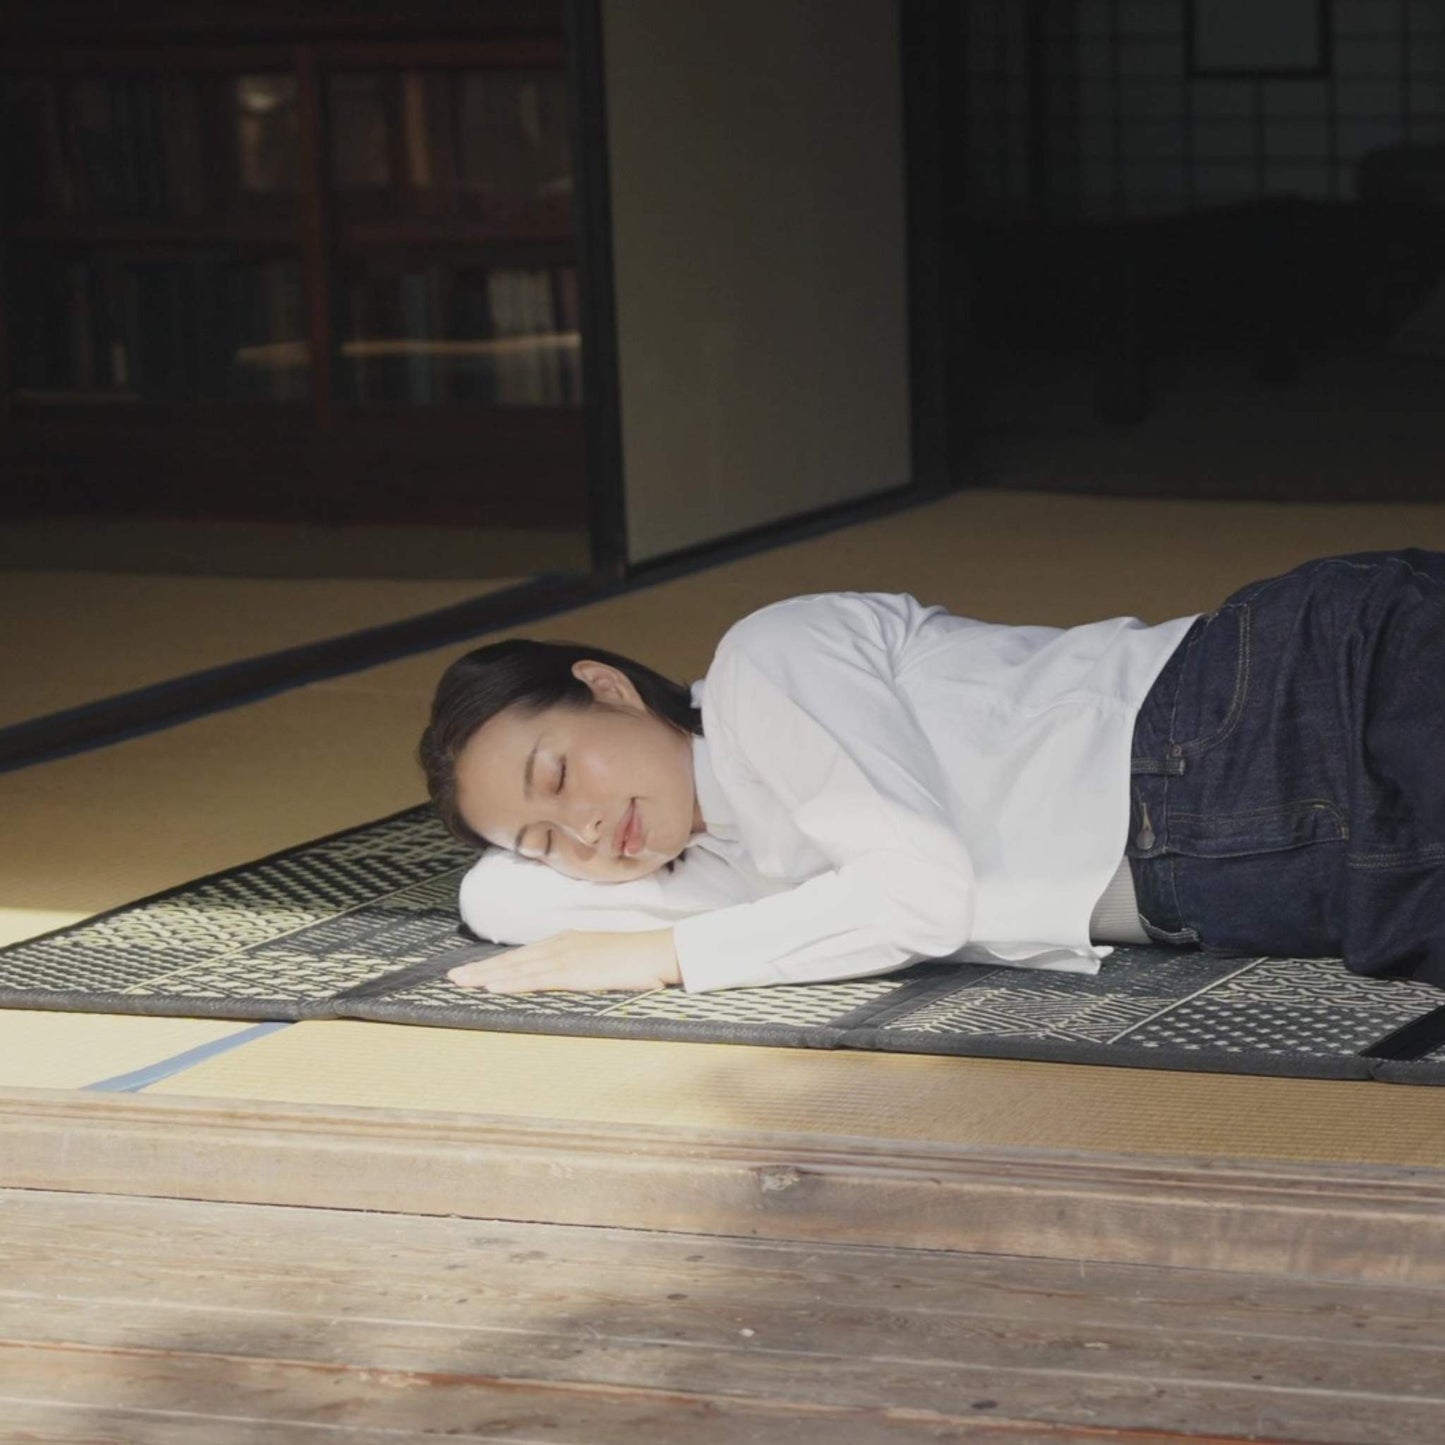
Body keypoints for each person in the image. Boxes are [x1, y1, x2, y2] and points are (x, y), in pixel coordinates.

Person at [417, 550, 1445, 997]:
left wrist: (665, 956)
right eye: (548, 840)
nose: (587, 833)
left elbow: (918, 895)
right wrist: (555, 864)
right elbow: (490, 895)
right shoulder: (729, 878)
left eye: (559, 779)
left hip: (1272, 709)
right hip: (1269, 870)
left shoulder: (764, 663)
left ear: (604, 686)